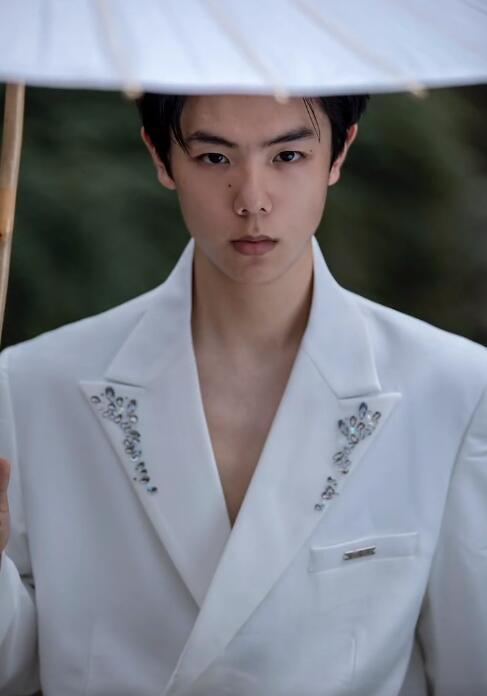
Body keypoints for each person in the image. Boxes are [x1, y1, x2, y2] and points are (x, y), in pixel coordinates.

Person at [0, 91, 486, 696]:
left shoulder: (452, 389)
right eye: (214, 158)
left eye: (287, 156)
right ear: (161, 156)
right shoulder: (32, 386)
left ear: (339, 152)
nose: (252, 200)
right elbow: (14, 670)